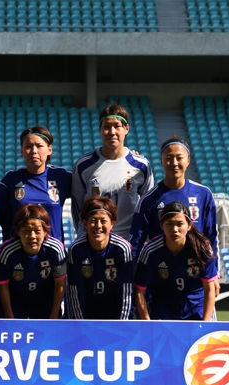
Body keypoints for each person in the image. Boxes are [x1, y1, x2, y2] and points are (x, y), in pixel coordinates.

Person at [129, 135, 220, 295]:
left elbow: (211, 236)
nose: (174, 163)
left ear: (188, 160)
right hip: (161, 278)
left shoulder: (203, 194)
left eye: (179, 158)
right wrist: (129, 275)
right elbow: (136, 242)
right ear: (162, 161)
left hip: (195, 279)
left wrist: (214, 274)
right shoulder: (149, 200)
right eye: (169, 158)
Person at [71, 104, 154, 240]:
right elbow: (77, 208)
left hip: (127, 241)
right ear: (100, 130)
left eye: (117, 126)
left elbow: (147, 207)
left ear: (126, 129)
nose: (112, 132)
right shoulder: (84, 165)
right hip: (93, 242)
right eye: (106, 127)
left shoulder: (141, 165)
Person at [133, 201, 218, 321]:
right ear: (161, 226)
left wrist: (205, 323)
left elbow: (209, 289)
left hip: (197, 307)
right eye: (169, 224)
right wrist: (148, 322)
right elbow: (139, 291)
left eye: (179, 224)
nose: (174, 229)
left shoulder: (202, 248)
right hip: (163, 309)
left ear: (189, 225)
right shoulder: (151, 250)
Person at [0, 126, 72, 243]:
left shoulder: (60, 177)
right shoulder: (11, 180)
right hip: (19, 253)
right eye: (28, 147)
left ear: (49, 150)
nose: (34, 151)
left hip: (52, 252)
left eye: (39, 146)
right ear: (22, 151)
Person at [66, 196, 133, 319]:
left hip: (115, 317)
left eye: (103, 221)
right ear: (85, 223)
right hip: (86, 315)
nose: (98, 226)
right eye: (93, 221)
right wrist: (80, 325)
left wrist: (123, 324)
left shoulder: (122, 249)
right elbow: (75, 292)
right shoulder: (76, 250)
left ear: (112, 223)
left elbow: (125, 291)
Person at [0, 204, 66, 319]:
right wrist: (9, 317)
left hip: (45, 303)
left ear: (45, 232)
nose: (32, 236)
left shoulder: (55, 249)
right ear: (18, 232)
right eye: (26, 230)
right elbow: (3, 286)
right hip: (15, 304)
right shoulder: (7, 251)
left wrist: (54, 315)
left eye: (37, 231)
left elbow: (60, 284)